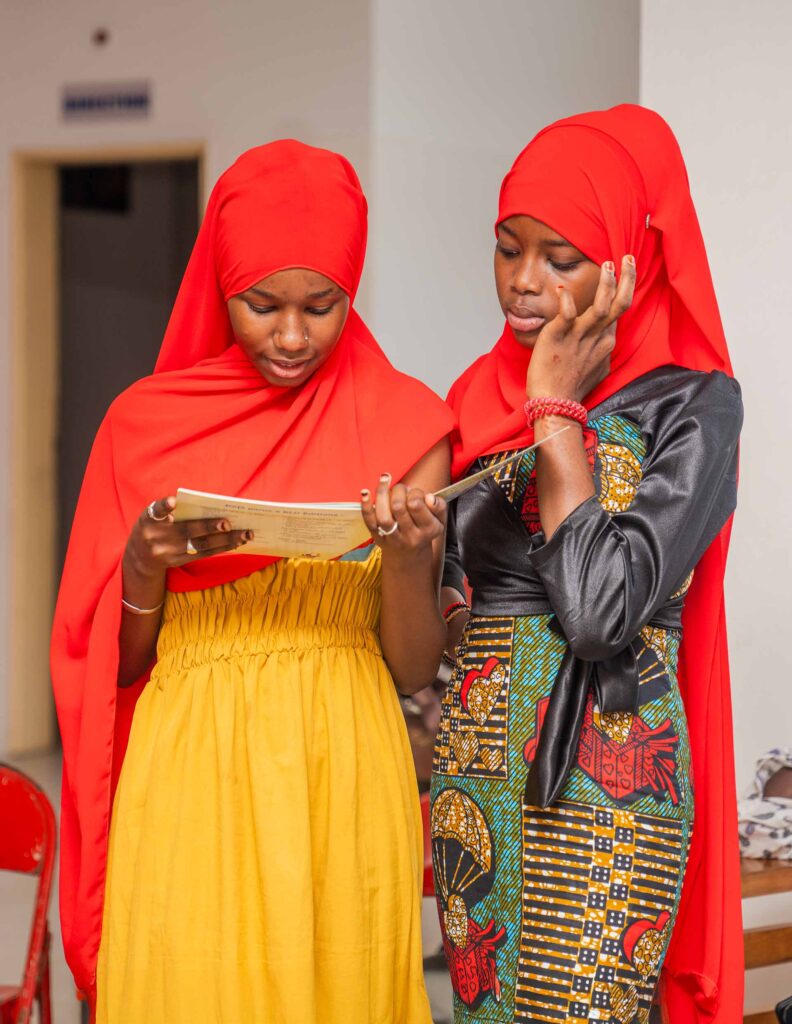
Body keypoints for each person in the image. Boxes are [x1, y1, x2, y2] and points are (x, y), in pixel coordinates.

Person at [51, 140, 454, 1023]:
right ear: (219, 284)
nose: (293, 336)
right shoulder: (144, 427)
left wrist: (404, 558)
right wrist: (143, 566)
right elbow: (118, 668)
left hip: (343, 766)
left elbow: (414, 667)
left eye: (322, 305)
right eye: (261, 305)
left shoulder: (409, 425)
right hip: (190, 765)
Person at [431, 105, 744, 1023]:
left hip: (613, 772)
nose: (523, 282)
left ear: (625, 264)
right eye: (508, 249)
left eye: (559, 258)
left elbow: (601, 612)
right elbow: (445, 617)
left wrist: (556, 412)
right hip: (478, 771)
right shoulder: (472, 398)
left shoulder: (693, 406)